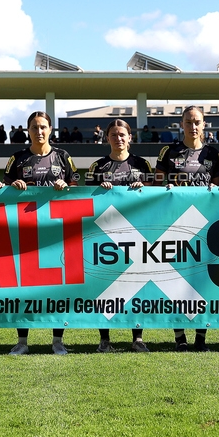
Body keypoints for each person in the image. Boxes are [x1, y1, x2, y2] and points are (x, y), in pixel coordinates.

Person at [0, 111, 78, 355]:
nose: (39, 131)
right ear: (28, 130)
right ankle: (22, 342)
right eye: (34, 127)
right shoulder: (17, 159)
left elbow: (77, 188)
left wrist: (66, 187)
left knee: (58, 286)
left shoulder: (63, 157)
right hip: (25, 234)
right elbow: (2, 189)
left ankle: (57, 341)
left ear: (51, 129)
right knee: (24, 286)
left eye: (43, 127)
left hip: (57, 234)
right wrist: (13, 186)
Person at [155, 105, 219, 351]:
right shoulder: (168, 152)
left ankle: (201, 338)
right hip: (174, 225)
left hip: (204, 225)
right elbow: (157, 188)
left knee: (201, 279)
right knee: (175, 279)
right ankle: (180, 338)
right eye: (188, 122)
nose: (193, 126)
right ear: (181, 125)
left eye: (197, 122)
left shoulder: (213, 154)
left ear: (204, 124)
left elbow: (218, 190)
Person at [85, 119, 154, 353]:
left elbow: (156, 197)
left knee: (137, 285)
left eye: (122, 134)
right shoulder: (97, 167)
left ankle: (138, 338)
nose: (118, 139)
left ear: (130, 137)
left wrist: (142, 188)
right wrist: (98, 191)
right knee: (105, 286)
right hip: (105, 235)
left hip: (137, 234)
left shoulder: (143, 165)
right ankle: (104, 340)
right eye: (113, 135)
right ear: (107, 138)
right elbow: (86, 200)